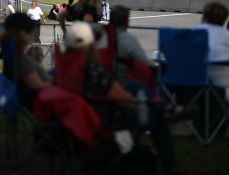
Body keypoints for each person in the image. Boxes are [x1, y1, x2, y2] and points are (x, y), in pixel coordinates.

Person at [63, 21, 188, 175]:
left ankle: (164, 108)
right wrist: (135, 101)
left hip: (79, 119)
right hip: (105, 120)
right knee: (156, 117)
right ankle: (171, 167)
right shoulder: (93, 70)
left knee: (134, 86)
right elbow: (123, 98)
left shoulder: (63, 70)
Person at [2, 13, 52, 108]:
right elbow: (38, 86)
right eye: (30, 30)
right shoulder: (22, 61)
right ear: (22, 33)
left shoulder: (9, 53)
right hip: (37, 105)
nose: (32, 33)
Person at [109, 5, 152, 83]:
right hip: (121, 82)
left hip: (100, 82)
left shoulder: (100, 36)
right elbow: (146, 64)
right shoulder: (129, 40)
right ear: (126, 23)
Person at [196, 2, 229, 99]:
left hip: (187, 83)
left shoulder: (192, 34)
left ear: (205, 18)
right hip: (218, 84)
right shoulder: (226, 36)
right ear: (223, 20)